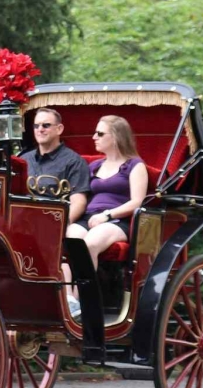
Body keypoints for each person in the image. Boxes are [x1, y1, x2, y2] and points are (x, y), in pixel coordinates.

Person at [67, 114, 149, 268]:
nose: (94, 137)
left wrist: (107, 215)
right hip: (88, 217)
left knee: (89, 243)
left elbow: (137, 202)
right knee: (68, 241)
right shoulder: (94, 166)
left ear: (116, 137)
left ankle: (87, 293)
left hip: (116, 220)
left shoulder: (135, 165)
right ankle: (69, 293)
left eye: (100, 133)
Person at [18, 107, 89, 226]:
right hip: (21, 221)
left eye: (46, 125)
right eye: (36, 126)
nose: (40, 129)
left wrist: (60, 226)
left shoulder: (74, 161)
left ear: (59, 129)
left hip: (52, 222)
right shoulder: (23, 159)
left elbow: (79, 202)